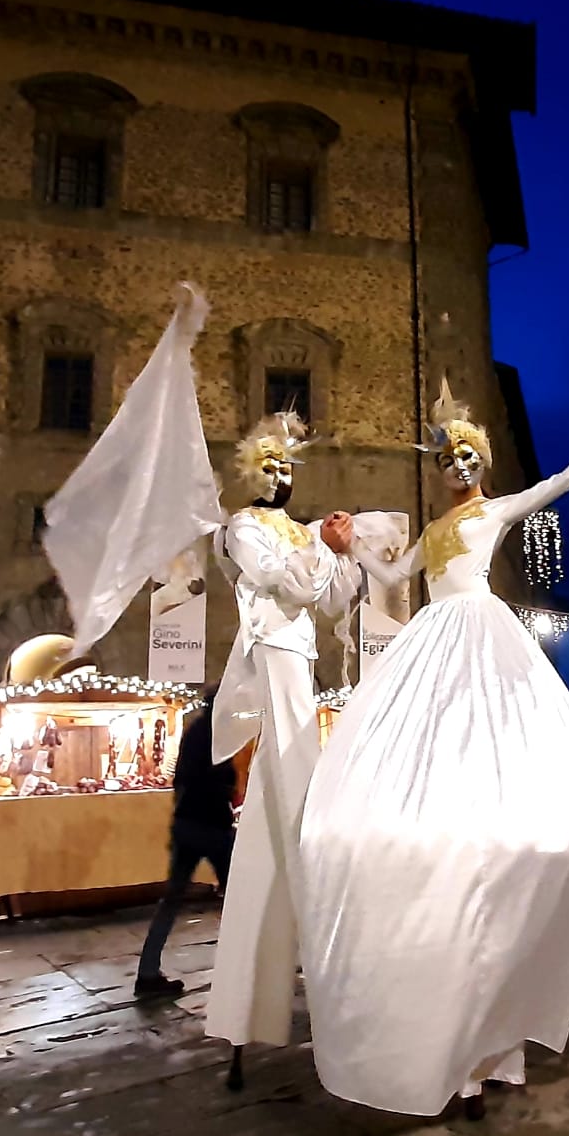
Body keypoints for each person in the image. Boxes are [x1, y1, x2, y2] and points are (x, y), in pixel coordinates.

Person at [297, 377, 569, 1119]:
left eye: (470, 456)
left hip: (484, 638)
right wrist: (349, 547)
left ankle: (496, 1043)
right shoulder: (432, 533)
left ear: (481, 464)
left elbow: (565, 480)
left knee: (496, 762)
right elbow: (392, 575)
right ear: (441, 468)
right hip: (434, 641)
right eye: (450, 458)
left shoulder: (498, 511)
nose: (461, 466)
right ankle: (472, 1038)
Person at [206, 410, 360, 1057]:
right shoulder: (242, 527)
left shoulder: (296, 530)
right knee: (296, 778)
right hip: (268, 652)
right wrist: (318, 550)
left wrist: (338, 549)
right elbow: (280, 581)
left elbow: (327, 599)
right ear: (251, 473)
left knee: (285, 794)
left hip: (300, 655)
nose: (278, 474)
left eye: (286, 465)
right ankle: (318, 851)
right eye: (268, 465)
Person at [136, 687, 238, 998]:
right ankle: (244, 970)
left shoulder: (195, 732)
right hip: (211, 827)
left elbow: (183, 779)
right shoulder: (216, 736)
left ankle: (148, 971)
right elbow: (221, 781)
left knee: (171, 900)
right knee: (237, 899)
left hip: (187, 823)